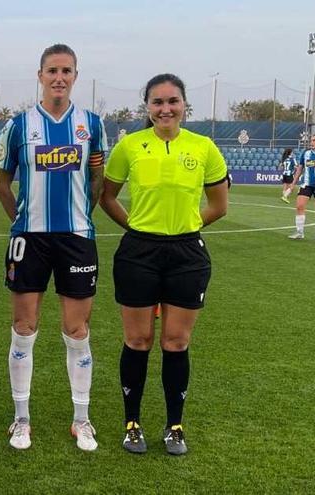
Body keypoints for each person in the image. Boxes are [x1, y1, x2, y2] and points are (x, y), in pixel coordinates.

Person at [99, 73, 229, 456]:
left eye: (172, 101)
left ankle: (175, 426)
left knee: (176, 341)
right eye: (157, 102)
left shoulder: (204, 147)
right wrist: (137, 229)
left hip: (187, 255)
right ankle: (132, 423)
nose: (165, 108)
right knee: (138, 340)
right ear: (147, 108)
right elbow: (108, 197)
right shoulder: (130, 147)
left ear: (184, 105)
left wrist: (186, 228)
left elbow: (219, 206)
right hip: (138, 252)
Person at [0, 44, 106, 452]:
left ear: (75, 75)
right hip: (30, 238)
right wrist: (20, 219)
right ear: (39, 75)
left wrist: (81, 216)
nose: (59, 77)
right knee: (24, 329)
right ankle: (21, 419)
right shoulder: (19, 126)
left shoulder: (91, 124)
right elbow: (3, 184)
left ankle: (82, 420)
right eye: (52, 70)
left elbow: (98, 180)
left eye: (67, 70)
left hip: (77, 238)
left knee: (77, 331)